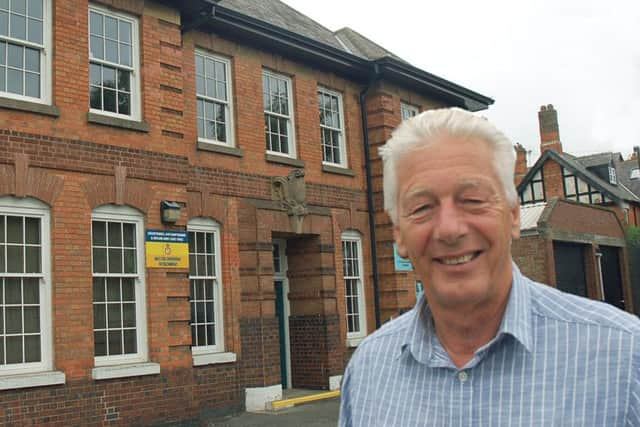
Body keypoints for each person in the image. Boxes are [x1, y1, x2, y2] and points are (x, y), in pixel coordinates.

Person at [339, 108, 640, 426]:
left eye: (473, 199)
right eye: (422, 207)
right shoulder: (367, 370)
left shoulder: (624, 357)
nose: (449, 229)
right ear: (398, 233)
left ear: (512, 215)